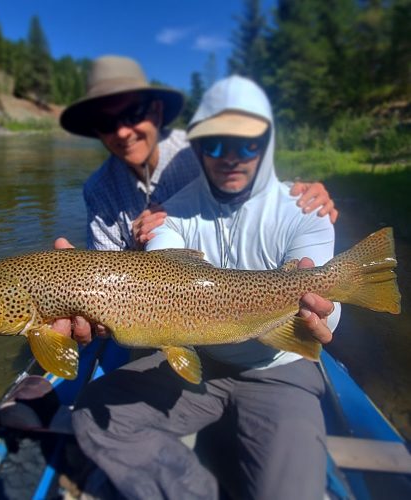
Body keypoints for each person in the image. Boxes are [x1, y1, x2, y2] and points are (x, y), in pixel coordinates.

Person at [69, 75, 340, 500]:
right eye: (214, 145)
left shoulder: (306, 209)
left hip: (279, 369)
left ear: (267, 143)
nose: (229, 157)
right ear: (197, 149)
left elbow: (327, 302)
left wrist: (324, 317)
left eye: (246, 144)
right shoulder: (169, 216)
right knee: (91, 415)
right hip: (200, 363)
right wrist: (78, 282)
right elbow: (156, 269)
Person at [56, 54, 338, 342]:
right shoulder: (98, 189)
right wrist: (71, 281)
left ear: (155, 111)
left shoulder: (199, 149)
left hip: (217, 302)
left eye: (133, 114)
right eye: (106, 122)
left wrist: (294, 193)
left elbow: (250, 175)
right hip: (143, 313)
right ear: (95, 128)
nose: (123, 131)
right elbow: (106, 280)